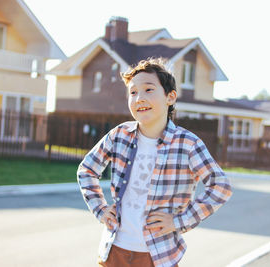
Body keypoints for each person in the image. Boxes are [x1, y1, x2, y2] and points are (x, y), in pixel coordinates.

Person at [77, 58, 232, 267]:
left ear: (170, 97)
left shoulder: (187, 144)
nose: (139, 98)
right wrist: (100, 209)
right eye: (133, 92)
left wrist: (179, 221)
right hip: (114, 251)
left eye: (149, 90)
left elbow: (220, 186)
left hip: (158, 256)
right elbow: (87, 170)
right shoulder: (119, 135)